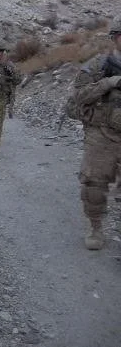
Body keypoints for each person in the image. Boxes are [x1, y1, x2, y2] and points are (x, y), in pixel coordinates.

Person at [68, 16, 121, 250]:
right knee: (94, 185)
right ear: (115, 38)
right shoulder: (97, 66)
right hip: (102, 133)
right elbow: (79, 96)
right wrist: (108, 83)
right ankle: (95, 226)